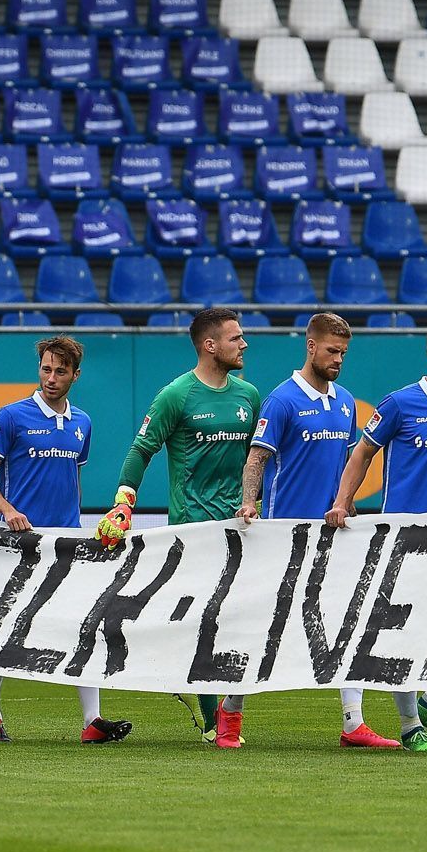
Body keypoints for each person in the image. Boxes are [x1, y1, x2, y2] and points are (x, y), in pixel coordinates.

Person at [234, 313, 401, 749]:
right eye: (332, 351)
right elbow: (257, 458)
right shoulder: (282, 400)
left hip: (334, 533)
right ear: (311, 347)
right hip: (284, 534)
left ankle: (353, 723)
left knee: (349, 622)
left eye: (344, 353)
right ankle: (230, 716)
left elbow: (349, 466)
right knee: (265, 629)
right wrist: (250, 501)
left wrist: (347, 505)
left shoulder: (346, 401)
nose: (338, 359)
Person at [95, 308, 260, 746]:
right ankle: (214, 723)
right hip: (193, 530)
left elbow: (258, 459)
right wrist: (122, 504)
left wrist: (254, 500)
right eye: (235, 338)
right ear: (210, 345)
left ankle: (216, 709)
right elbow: (141, 449)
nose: (243, 345)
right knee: (208, 623)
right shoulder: (177, 395)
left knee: (238, 624)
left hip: (240, 530)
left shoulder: (248, 395)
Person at [325, 323, 427, 753]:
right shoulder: (400, 403)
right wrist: (343, 501)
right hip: (402, 540)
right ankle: (411, 725)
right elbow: (362, 453)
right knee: (399, 634)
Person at [0, 336, 133, 745]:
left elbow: (71, 480)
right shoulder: (10, 417)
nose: (51, 377)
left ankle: (91, 722)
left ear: (76, 375)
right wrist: (8, 511)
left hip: (68, 544)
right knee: (2, 628)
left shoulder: (83, 422)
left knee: (86, 626)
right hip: (20, 543)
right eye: (46, 368)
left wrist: (80, 527)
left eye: (61, 371)